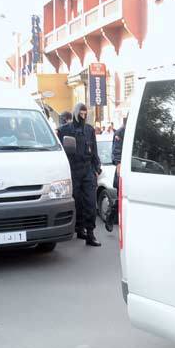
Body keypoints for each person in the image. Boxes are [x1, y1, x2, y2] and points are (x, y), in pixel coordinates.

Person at [58, 103, 102, 246]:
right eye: (80, 114)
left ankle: (90, 233)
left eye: (85, 114)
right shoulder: (64, 130)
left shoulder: (89, 130)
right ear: (75, 113)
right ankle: (79, 228)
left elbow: (94, 150)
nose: (83, 116)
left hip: (87, 169)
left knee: (90, 202)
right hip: (73, 170)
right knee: (77, 202)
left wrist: (97, 168)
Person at [104, 116, 126, 232]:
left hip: (133, 167)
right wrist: (118, 164)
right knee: (120, 198)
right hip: (122, 169)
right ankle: (110, 216)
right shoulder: (120, 132)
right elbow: (116, 151)